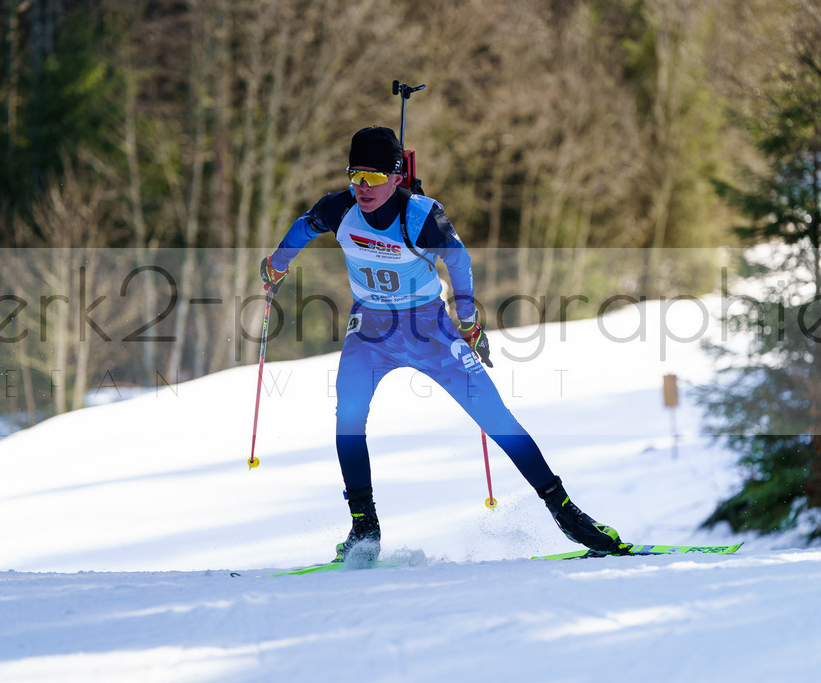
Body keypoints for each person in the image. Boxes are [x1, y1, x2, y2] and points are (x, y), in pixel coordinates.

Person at [260, 126, 629, 564]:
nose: (363, 188)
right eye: (355, 176)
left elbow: (458, 258)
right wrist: (276, 265)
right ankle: (364, 527)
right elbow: (304, 228)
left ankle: (566, 513)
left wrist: (467, 320)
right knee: (349, 417)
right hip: (371, 331)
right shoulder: (340, 209)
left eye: (374, 178)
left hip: (428, 330)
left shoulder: (421, 216)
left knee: (494, 416)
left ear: (396, 176)